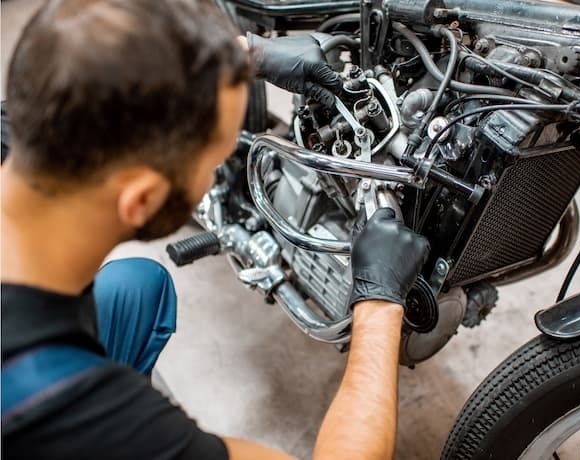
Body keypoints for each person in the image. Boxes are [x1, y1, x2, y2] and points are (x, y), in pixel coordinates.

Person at [0, 1, 429, 459]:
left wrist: (246, 56)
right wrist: (379, 302)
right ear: (141, 199)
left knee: (137, 287)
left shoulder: (24, 131)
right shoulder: (45, 397)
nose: (214, 175)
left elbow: (96, 77)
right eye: (211, 163)